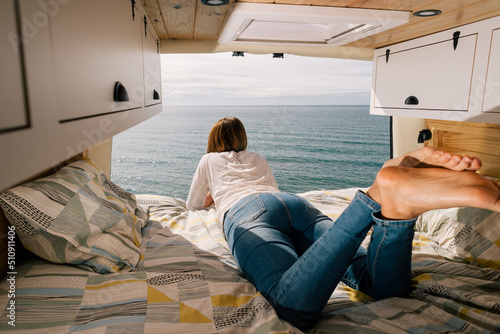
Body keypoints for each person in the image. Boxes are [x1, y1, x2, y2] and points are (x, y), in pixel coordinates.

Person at [186, 117, 500, 328]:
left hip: (247, 211)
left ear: (213, 140)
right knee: (383, 287)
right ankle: (398, 211)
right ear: (242, 138)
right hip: (293, 203)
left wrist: (215, 198)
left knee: (291, 306)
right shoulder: (257, 158)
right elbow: (272, 190)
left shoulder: (207, 160)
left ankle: (376, 195)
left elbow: (194, 204)